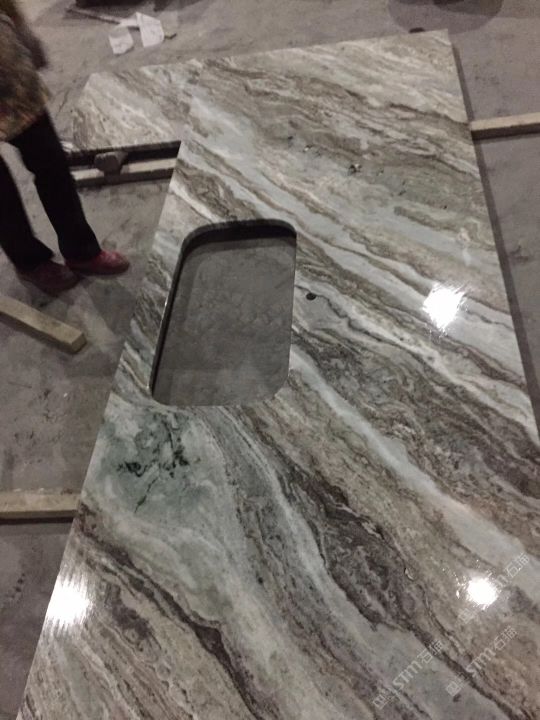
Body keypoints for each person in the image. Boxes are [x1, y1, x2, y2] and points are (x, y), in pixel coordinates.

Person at [0, 0, 129, 294]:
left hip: (11, 79)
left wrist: (23, 36)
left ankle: (82, 251)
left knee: (52, 163)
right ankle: (30, 262)